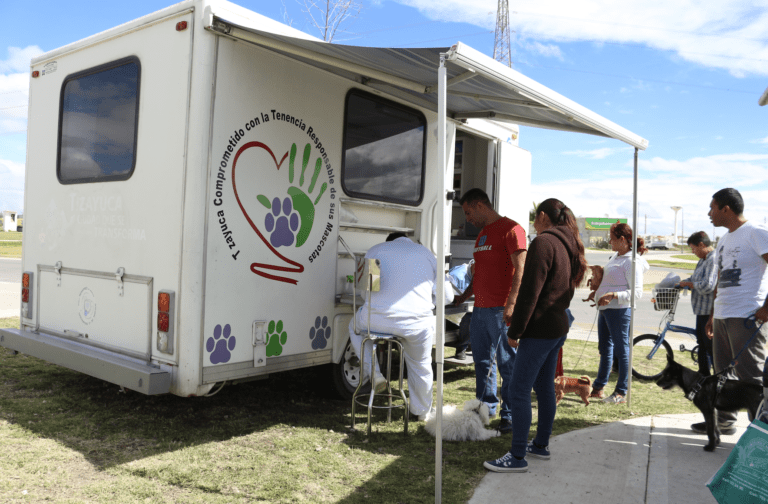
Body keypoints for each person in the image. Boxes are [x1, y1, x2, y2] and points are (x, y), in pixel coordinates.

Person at [483, 198, 587, 472]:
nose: (533, 222)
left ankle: (517, 457)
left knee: (518, 390)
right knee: (543, 388)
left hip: (540, 329)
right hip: (556, 326)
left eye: (534, 217)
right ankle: (540, 445)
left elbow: (531, 291)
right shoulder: (568, 243)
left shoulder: (543, 242)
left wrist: (516, 330)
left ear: (542, 216)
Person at [348, 232, 453, 421]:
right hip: (416, 324)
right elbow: (447, 297)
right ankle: (421, 412)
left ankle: (374, 373)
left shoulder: (375, 250)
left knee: (354, 327)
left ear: (389, 242)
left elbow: (365, 294)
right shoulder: (427, 254)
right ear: (408, 240)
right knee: (420, 365)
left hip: (376, 321)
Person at [692, 188, 768, 435]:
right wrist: (714, 314)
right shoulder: (724, 239)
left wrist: (767, 307)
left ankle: (759, 433)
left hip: (747, 316)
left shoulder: (756, 232)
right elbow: (722, 280)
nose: (709, 213)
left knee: (751, 378)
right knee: (723, 375)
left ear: (726, 209)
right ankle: (724, 422)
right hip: (724, 316)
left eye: (712, 208)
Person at [454, 188, 527, 433]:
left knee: (508, 365)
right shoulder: (483, 235)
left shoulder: (512, 229)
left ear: (479, 205)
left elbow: (521, 270)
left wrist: (512, 304)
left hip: (501, 310)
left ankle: (510, 414)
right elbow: (480, 274)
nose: (467, 218)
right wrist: (462, 297)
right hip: (480, 310)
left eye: (468, 212)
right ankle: (485, 409)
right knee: (482, 363)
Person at [590, 221, 649, 404]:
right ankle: (598, 388)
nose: (610, 242)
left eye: (612, 238)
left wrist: (613, 295)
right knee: (605, 349)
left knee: (622, 350)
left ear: (622, 239)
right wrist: (597, 289)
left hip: (620, 311)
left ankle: (621, 392)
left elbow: (637, 293)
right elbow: (611, 281)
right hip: (606, 310)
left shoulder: (632, 262)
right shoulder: (616, 257)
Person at [678, 231, 717, 375]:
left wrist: (690, 284)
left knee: (710, 347)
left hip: (709, 311)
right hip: (700, 310)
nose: (693, 252)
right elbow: (695, 278)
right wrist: (683, 282)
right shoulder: (702, 260)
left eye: (693, 248)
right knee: (702, 344)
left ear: (702, 245)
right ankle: (703, 375)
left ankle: (715, 379)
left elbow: (708, 285)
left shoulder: (714, 259)